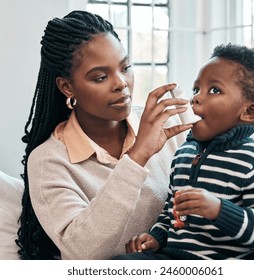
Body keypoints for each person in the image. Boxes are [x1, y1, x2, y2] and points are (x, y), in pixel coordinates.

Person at [16, 10, 193, 260]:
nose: (121, 83)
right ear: (67, 87)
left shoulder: (170, 121)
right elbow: (84, 252)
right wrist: (137, 157)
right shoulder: (48, 162)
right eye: (100, 77)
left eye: (126, 67)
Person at [113, 44, 254, 260]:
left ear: (249, 111)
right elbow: (172, 213)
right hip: (173, 258)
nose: (195, 98)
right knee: (121, 263)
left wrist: (218, 209)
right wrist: (156, 237)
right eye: (196, 89)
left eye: (214, 90)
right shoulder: (183, 154)